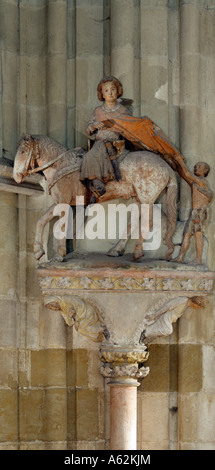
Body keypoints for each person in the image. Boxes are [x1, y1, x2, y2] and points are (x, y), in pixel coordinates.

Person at [80, 76, 131, 204]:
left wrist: (117, 127)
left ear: (118, 90)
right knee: (89, 155)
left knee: (93, 154)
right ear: (102, 93)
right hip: (98, 142)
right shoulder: (98, 111)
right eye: (106, 90)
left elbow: (130, 129)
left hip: (115, 144)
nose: (110, 93)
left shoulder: (123, 110)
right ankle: (94, 183)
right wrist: (93, 126)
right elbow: (88, 130)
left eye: (113, 89)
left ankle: (97, 183)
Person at [174, 160, 213, 264]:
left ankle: (198, 259)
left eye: (199, 166)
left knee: (198, 235)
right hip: (195, 212)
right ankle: (180, 257)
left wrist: (179, 160)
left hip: (201, 211)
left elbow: (187, 174)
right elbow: (185, 176)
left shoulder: (202, 181)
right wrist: (176, 166)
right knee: (186, 234)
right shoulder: (196, 183)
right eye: (195, 166)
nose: (196, 167)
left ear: (205, 170)